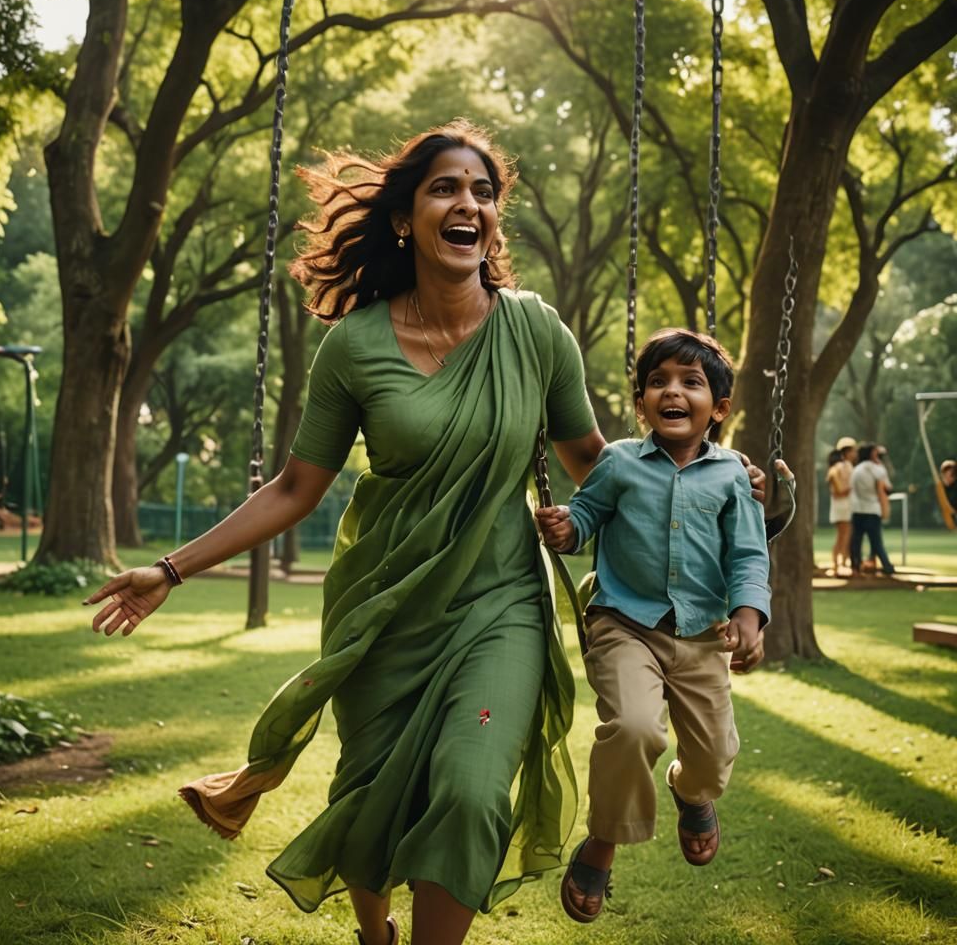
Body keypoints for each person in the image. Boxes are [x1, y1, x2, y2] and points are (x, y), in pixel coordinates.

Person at [83, 121, 767, 945]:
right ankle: (376, 930)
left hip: (500, 601)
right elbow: (297, 487)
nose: (467, 202)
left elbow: (603, 467)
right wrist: (171, 568)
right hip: (384, 600)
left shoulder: (535, 332)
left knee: (475, 791)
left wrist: (726, 482)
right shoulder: (354, 346)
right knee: (369, 787)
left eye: (483, 191)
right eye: (446, 187)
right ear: (406, 218)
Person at [535, 328, 770, 924]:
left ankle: (690, 793)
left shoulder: (731, 478)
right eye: (658, 382)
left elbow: (747, 553)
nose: (673, 391)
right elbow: (586, 514)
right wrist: (567, 528)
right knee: (636, 727)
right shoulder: (617, 462)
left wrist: (749, 613)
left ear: (718, 409)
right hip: (624, 624)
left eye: (691, 382)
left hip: (699, 636)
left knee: (714, 758)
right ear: (641, 404)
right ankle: (603, 843)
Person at [850, 442, 895, 577]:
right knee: (876, 542)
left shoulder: (856, 469)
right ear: (872, 454)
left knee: (856, 541)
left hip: (857, 509)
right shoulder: (878, 469)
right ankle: (887, 566)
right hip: (872, 509)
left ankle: (856, 567)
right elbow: (888, 488)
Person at [826, 437, 857, 575]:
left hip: (843, 505)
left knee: (845, 535)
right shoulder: (842, 467)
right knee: (843, 536)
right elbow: (839, 491)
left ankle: (842, 563)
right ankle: (836, 565)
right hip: (843, 505)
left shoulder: (843, 467)